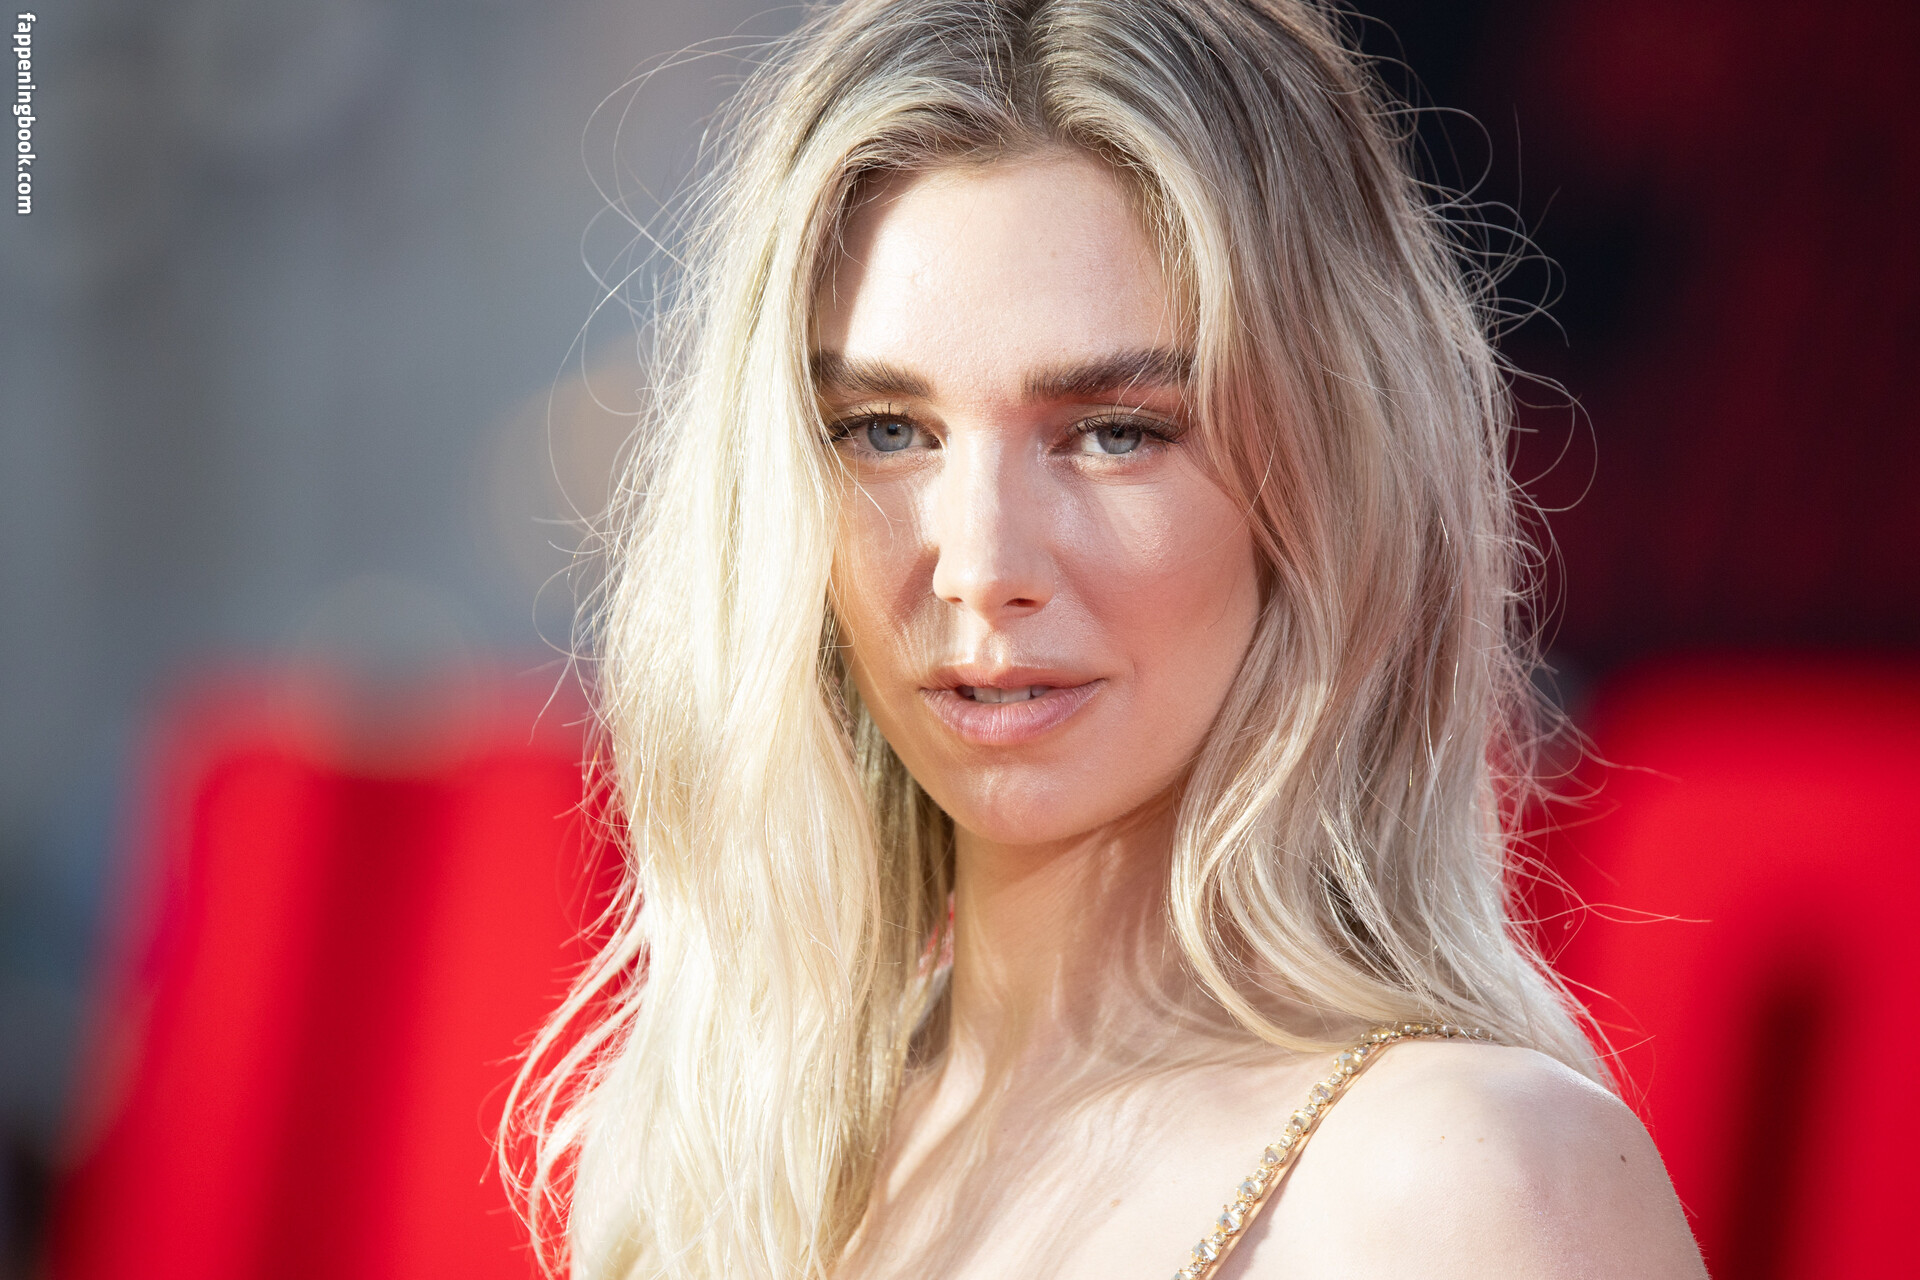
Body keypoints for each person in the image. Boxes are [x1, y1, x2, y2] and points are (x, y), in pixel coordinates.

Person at [504, 1, 1708, 1277]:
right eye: (885, 430)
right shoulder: (716, 1162)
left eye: (1114, 431)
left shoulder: (1471, 1184)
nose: (982, 565)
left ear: (1329, 487)